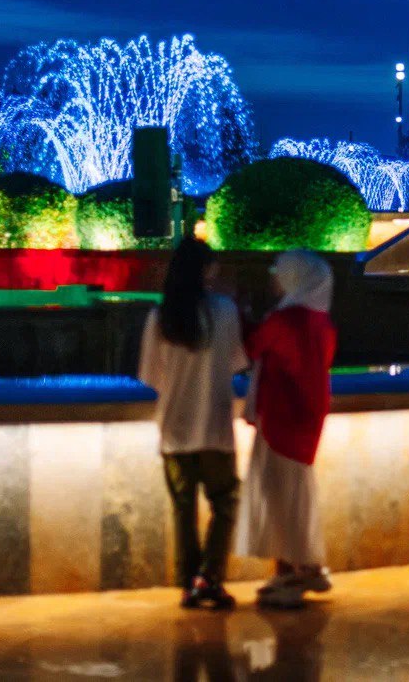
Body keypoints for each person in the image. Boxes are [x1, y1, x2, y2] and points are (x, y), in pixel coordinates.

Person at [139, 237, 248, 610]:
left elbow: (151, 376)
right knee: (226, 503)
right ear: (206, 270)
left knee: (183, 511)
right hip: (215, 428)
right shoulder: (225, 311)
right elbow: (237, 363)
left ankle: (189, 584)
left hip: (174, 429)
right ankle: (210, 578)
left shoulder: (160, 318)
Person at [236, 250, 336, 609]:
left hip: (281, 418)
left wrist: (240, 315)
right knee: (296, 492)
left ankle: (291, 569)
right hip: (306, 418)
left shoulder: (286, 320)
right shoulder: (321, 322)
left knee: (278, 494)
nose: (274, 280)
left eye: (279, 273)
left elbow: (252, 346)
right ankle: (305, 564)